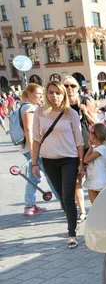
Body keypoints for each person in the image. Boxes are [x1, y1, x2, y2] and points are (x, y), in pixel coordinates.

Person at [31, 81, 84, 249]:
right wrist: (34, 163)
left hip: (69, 159)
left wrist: (81, 163)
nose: (54, 96)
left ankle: (71, 232)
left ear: (64, 95)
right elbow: (36, 139)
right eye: (51, 92)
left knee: (68, 196)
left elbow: (79, 141)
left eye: (58, 93)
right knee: (62, 196)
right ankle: (72, 222)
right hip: (49, 160)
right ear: (46, 94)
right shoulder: (39, 112)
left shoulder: (71, 113)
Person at [18, 83, 59, 216]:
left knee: (34, 177)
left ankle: (29, 206)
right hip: (34, 149)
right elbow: (28, 129)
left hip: (29, 149)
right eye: (38, 93)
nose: (40, 96)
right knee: (50, 174)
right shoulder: (29, 107)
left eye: (42, 94)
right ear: (29, 93)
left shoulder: (24, 106)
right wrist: (33, 151)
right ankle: (64, 202)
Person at [63, 76, 96, 224]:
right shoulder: (61, 103)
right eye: (66, 85)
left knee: (94, 177)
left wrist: (86, 113)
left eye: (72, 86)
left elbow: (97, 123)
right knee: (77, 179)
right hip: (70, 146)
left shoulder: (85, 101)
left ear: (77, 88)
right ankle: (82, 211)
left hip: (88, 145)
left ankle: (96, 208)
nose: (69, 88)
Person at [83, 123, 106, 204]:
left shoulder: (101, 149)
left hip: (99, 180)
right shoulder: (96, 149)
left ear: (93, 136)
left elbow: (86, 160)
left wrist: (90, 147)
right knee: (94, 205)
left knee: (101, 205)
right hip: (92, 179)